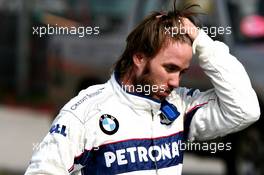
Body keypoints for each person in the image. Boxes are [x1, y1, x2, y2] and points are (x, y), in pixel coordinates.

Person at [25, 1, 260, 175]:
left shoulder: (180, 107)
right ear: (139, 58)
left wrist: (201, 41)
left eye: (182, 72)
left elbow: (245, 110)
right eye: (169, 68)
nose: (176, 82)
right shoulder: (84, 113)